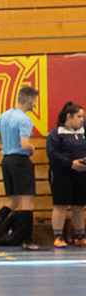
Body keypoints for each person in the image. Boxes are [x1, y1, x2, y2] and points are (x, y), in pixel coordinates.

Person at [0, 85, 42, 250]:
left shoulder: (4, 115)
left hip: (6, 160)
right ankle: (27, 240)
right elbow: (24, 144)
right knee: (27, 200)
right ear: (29, 100)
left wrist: (11, 143)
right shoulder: (24, 119)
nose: (35, 105)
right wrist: (32, 148)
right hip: (20, 161)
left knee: (13, 200)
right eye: (35, 101)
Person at [46, 101, 86, 247]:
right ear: (69, 116)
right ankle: (58, 236)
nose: (82, 120)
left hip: (81, 174)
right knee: (61, 205)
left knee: (79, 205)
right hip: (62, 174)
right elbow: (52, 154)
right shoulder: (56, 133)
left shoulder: (83, 132)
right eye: (79, 116)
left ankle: (80, 236)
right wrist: (71, 164)